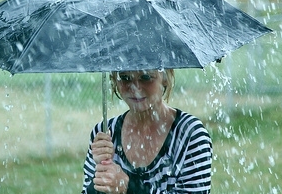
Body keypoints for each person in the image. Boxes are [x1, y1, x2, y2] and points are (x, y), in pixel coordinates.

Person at [81, 69, 212, 193]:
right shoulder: (104, 133)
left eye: (146, 77)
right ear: (114, 79)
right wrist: (99, 176)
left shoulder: (190, 135)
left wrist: (128, 186)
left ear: (165, 77)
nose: (135, 88)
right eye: (125, 78)